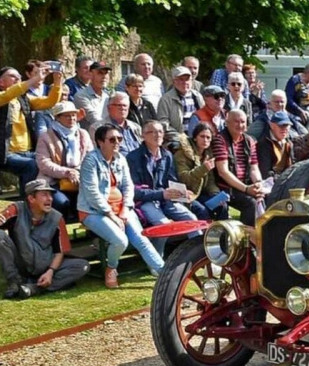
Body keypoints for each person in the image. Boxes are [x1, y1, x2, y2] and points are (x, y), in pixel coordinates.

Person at [78, 124, 164, 288]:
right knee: (120, 241)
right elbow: (92, 193)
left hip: (120, 208)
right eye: (112, 139)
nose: (117, 142)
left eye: (119, 139)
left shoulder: (120, 159)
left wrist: (125, 209)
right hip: (93, 211)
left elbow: (128, 186)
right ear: (100, 142)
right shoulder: (90, 161)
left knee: (141, 239)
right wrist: (111, 215)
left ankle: (165, 273)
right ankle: (111, 267)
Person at [0, 180, 89, 299]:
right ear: (31, 198)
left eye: (50, 195)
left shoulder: (57, 218)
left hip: (45, 265)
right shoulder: (16, 210)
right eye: (44, 195)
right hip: (21, 263)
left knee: (82, 266)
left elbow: (60, 251)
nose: (50, 199)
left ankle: (33, 288)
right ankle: (14, 281)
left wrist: (51, 271)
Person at [127, 120, 203, 255]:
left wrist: (182, 192)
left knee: (191, 219)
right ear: (143, 135)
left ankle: (198, 255)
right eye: (153, 132)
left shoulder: (167, 155)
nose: (158, 135)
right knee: (163, 225)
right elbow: (134, 191)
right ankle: (156, 260)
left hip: (166, 200)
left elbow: (171, 181)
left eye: (161, 132)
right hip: (144, 202)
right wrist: (162, 194)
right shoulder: (133, 157)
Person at [0, 65, 62, 196]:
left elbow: (49, 102)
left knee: (54, 160)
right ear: (1, 82)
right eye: (13, 76)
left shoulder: (23, 99)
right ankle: (27, 204)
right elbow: (8, 94)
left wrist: (57, 81)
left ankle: (54, 200)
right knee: (32, 165)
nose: (18, 79)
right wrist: (34, 79)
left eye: (19, 77)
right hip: (5, 154)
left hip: (28, 152)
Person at [35, 102, 93, 216]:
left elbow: (90, 158)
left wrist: (77, 172)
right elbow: (44, 163)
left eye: (73, 115)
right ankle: (58, 230)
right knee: (61, 203)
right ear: (57, 117)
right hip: (53, 181)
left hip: (81, 179)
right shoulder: (46, 137)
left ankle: (92, 230)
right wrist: (67, 172)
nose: (71, 118)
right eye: (67, 115)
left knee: (93, 200)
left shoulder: (83, 134)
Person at [213, 110, 264, 226]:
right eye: (236, 121)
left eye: (243, 122)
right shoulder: (220, 140)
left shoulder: (250, 141)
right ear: (227, 122)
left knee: (266, 198)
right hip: (226, 188)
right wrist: (246, 189)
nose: (240, 125)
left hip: (245, 185)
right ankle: (244, 238)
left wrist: (258, 184)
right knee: (250, 203)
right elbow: (223, 172)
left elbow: (254, 168)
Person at [175, 122, 226, 220]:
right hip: (185, 193)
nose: (205, 140)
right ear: (195, 138)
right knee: (202, 211)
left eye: (208, 138)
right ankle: (203, 235)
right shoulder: (182, 153)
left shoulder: (208, 154)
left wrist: (216, 195)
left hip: (200, 193)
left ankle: (221, 233)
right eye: (202, 136)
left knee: (222, 206)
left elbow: (210, 181)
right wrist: (203, 169)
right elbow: (183, 178)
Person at [158, 66, 205, 146]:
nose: (185, 82)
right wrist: (181, 138)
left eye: (187, 79)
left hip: (198, 138)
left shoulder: (197, 96)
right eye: (181, 79)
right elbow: (163, 123)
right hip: (176, 140)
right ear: (174, 81)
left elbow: (204, 117)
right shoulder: (166, 99)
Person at [256, 111, 296, 179]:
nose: (284, 129)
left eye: (287, 126)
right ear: (272, 126)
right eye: (281, 125)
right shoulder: (264, 144)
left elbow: (292, 165)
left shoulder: (288, 143)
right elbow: (265, 173)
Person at [74, 61, 111, 130]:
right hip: (90, 137)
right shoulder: (81, 96)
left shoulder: (109, 96)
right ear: (90, 74)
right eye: (100, 73)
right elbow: (93, 118)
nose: (104, 76)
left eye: (106, 73)